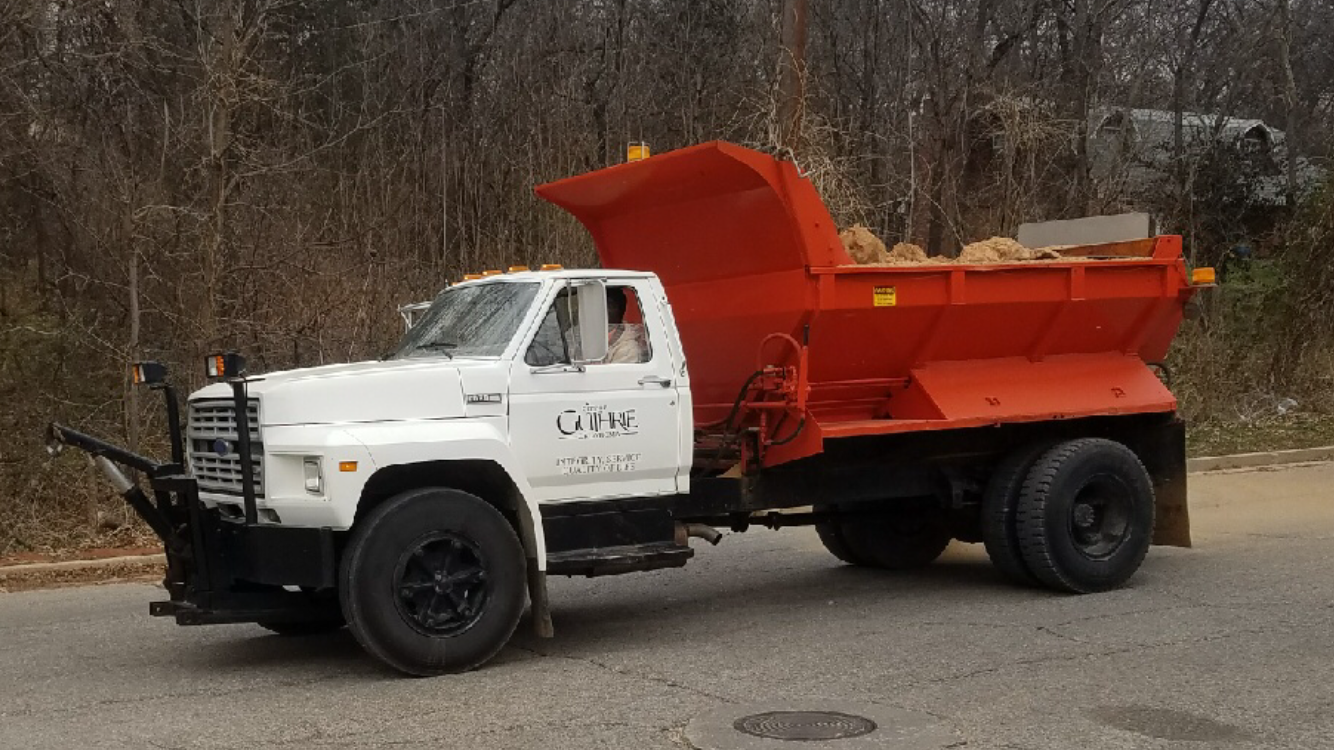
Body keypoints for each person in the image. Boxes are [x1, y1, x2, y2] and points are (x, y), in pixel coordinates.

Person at [604, 286, 645, 364]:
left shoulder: (628, 349)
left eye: (610, 306)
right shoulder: (584, 333)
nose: (604, 310)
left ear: (621, 310)